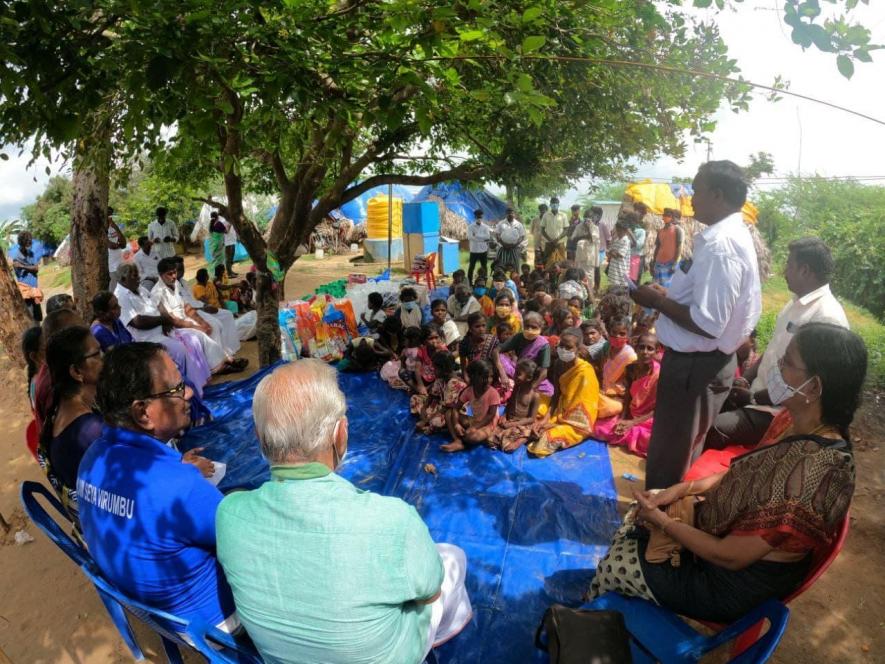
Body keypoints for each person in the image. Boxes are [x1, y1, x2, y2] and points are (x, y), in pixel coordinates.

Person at [588, 323, 866, 623]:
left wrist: (663, 522)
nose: (776, 367)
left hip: (726, 583)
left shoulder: (811, 473)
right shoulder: (794, 422)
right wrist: (682, 490)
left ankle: (595, 623)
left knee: (619, 559)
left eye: (787, 363)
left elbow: (728, 556)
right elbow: (740, 472)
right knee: (648, 509)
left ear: (813, 386)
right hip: (723, 539)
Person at [216, 360, 471, 663]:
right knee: (453, 557)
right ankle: (443, 633)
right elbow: (429, 594)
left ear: (259, 438)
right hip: (391, 655)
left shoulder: (229, 513)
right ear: (340, 434)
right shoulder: (391, 519)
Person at [77, 343, 238, 630]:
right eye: (176, 390)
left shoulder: (92, 458)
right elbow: (247, 540)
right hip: (213, 621)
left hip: (150, 608)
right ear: (143, 414)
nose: (188, 393)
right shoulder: (181, 487)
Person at [631, 160, 762, 489]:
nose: (689, 197)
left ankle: (656, 525)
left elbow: (709, 323)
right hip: (699, 364)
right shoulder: (720, 237)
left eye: (696, 190)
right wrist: (668, 294)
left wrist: (658, 302)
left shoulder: (722, 246)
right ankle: (664, 515)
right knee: (678, 448)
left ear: (717, 195)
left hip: (695, 367)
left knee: (670, 454)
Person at [706, 237, 849, 451]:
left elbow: (805, 385)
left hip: (781, 412)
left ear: (805, 271)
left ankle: (710, 481)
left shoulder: (826, 318)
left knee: (716, 428)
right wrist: (745, 379)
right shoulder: (795, 304)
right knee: (707, 403)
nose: (784, 272)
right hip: (759, 396)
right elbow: (774, 349)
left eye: (789, 265)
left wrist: (754, 397)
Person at [36, 326, 104, 525]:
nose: (104, 359)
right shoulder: (91, 431)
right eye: (97, 354)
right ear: (76, 371)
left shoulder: (58, 410)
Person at [114, 262, 217, 387]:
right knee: (180, 350)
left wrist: (165, 318)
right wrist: (163, 320)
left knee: (194, 340)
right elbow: (138, 322)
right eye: (135, 276)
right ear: (124, 279)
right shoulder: (121, 296)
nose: (139, 278)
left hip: (163, 329)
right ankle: (188, 387)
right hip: (147, 339)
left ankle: (201, 382)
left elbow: (157, 304)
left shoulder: (137, 287)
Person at [527, 327, 600, 457]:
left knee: (542, 443)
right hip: (560, 406)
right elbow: (556, 395)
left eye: (569, 347)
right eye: (561, 345)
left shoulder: (585, 372)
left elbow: (581, 411)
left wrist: (553, 423)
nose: (563, 350)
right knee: (530, 400)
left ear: (578, 349)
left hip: (576, 420)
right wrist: (546, 418)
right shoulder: (558, 364)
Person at [593, 332, 660, 457]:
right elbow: (628, 396)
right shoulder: (630, 368)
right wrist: (623, 418)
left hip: (649, 418)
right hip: (632, 412)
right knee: (603, 427)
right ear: (636, 348)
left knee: (651, 439)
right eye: (642, 347)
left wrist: (633, 422)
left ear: (656, 351)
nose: (645, 352)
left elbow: (659, 408)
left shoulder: (658, 374)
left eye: (650, 349)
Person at [442, 359, 501, 452]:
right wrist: (456, 424)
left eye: (490, 377)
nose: (488, 380)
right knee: (448, 414)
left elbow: (490, 416)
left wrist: (474, 427)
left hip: (487, 424)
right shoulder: (469, 390)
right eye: (484, 377)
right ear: (473, 377)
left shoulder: (493, 393)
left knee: (472, 437)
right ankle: (457, 440)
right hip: (472, 418)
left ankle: (462, 442)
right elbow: (456, 408)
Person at [490, 358, 542, 453]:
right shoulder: (517, 387)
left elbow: (531, 418)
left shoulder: (534, 396)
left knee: (509, 448)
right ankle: (514, 434)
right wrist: (504, 415)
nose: (514, 376)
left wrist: (513, 424)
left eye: (518, 374)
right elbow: (510, 403)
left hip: (522, 423)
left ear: (529, 378)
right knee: (490, 440)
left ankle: (525, 439)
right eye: (515, 372)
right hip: (510, 420)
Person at [497, 312, 554, 396]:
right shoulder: (519, 337)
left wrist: (531, 387)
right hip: (519, 375)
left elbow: (543, 372)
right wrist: (502, 373)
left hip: (533, 379)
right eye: (527, 326)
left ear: (541, 328)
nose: (530, 329)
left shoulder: (543, 345)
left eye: (534, 327)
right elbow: (496, 350)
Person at [458, 313, 511, 398]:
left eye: (483, 326)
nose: (481, 329)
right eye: (477, 326)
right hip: (474, 377)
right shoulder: (464, 343)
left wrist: (503, 376)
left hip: (491, 378)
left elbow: (497, 362)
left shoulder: (493, 341)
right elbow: (463, 366)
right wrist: (468, 381)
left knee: (505, 392)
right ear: (470, 329)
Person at [597, 316, 638, 419]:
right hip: (603, 393)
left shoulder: (630, 356)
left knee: (608, 407)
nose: (617, 336)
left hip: (618, 399)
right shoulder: (608, 349)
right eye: (614, 333)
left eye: (622, 334)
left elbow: (630, 386)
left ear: (628, 336)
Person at [8, 231, 43, 321]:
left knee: (38, 317)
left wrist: (22, 266)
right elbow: (31, 268)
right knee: (30, 317)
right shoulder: (16, 256)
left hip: (35, 289)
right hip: (25, 291)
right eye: (27, 244)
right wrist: (28, 267)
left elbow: (36, 269)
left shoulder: (31, 253)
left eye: (30, 243)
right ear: (21, 243)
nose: (29, 245)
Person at [651, 208, 684, 288]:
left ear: (672, 217)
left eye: (668, 215)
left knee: (666, 287)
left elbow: (678, 247)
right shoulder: (660, 231)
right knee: (656, 286)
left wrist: (675, 263)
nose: (665, 217)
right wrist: (654, 261)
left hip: (669, 263)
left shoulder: (677, 230)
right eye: (664, 215)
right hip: (659, 262)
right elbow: (657, 247)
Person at [571, 209, 601, 290]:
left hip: (590, 258)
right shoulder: (578, 226)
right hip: (580, 257)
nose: (587, 220)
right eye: (586, 218)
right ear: (583, 218)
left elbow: (592, 239)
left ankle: (589, 292)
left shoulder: (595, 228)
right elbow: (573, 239)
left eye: (589, 218)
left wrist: (588, 228)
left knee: (589, 277)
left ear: (592, 218)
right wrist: (583, 236)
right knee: (579, 275)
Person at [495, 207, 525, 272]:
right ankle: (502, 279)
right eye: (508, 213)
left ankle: (515, 280)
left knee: (515, 267)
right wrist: (503, 244)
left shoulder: (519, 224)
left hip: (514, 248)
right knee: (502, 266)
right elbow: (497, 234)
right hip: (503, 248)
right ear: (506, 214)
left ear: (514, 214)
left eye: (512, 213)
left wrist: (515, 245)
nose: (510, 214)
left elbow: (522, 236)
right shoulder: (501, 223)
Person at [466, 209, 492, 285]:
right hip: (474, 250)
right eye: (478, 217)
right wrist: (482, 239)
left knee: (484, 267)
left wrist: (476, 236)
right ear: (475, 217)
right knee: (471, 267)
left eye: (480, 217)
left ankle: (484, 282)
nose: (479, 218)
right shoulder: (470, 227)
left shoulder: (486, 227)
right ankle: (470, 283)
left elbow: (487, 237)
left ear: (482, 217)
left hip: (483, 250)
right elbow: (470, 237)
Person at [540, 197, 568, 265]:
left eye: (556, 203)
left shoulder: (563, 215)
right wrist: (550, 240)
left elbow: (566, 229)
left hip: (560, 243)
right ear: (550, 204)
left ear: (558, 204)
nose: (554, 205)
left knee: (561, 262)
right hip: (549, 243)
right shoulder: (546, 215)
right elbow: (542, 230)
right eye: (553, 203)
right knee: (548, 262)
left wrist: (558, 238)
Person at [606, 218, 633, 289]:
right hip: (614, 271)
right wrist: (612, 252)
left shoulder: (626, 241)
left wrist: (612, 252)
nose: (618, 231)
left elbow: (618, 255)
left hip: (621, 271)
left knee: (621, 290)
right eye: (617, 229)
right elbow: (609, 253)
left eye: (619, 230)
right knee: (613, 288)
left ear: (625, 230)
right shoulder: (617, 239)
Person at [107, 208, 127, 292]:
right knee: (114, 292)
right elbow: (111, 245)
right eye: (108, 214)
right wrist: (118, 244)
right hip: (111, 266)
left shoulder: (114, 228)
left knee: (124, 289)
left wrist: (115, 226)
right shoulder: (100, 229)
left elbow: (124, 244)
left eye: (110, 214)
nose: (109, 217)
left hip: (119, 264)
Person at [628, 211, 647, 282]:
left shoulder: (641, 231)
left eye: (631, 220)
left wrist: (630, 233)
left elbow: (639, 245)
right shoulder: (626, 230)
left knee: (634, 281)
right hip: (627, 258)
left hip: (636, 258)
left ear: (636, 221)